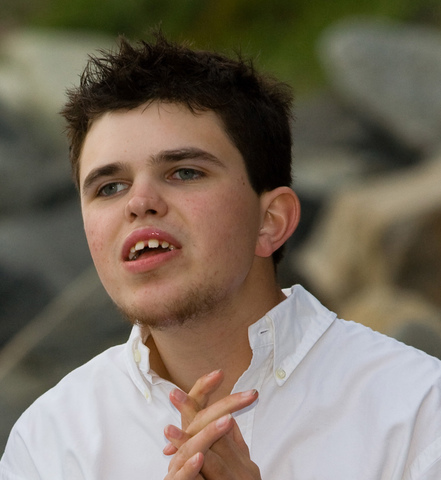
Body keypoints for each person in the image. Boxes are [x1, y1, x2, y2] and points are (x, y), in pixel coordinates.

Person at [1, 31, 441, 480]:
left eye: (184, 172)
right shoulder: (49, 442)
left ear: (271, 220)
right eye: (109, 186)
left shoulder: (420, 414)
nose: (139, 202)